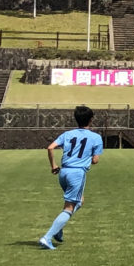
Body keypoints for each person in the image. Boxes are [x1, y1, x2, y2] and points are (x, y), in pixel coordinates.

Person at [39, 105, 103, 249]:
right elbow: (95, 160)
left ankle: (58, 229)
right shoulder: (96, 137)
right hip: (77, 174)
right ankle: (47, 237)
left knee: (79, 201)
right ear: (91, 119)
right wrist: (86, 158)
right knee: (69, 207)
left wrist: (53, 166)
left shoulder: (67, 134)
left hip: (63, 172)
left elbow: (50, 147)